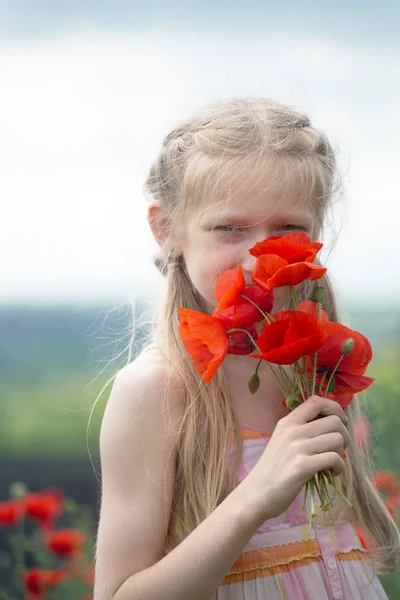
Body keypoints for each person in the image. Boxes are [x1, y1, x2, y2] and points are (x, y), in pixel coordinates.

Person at [93, 98, 399, 600]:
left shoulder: (314, 363)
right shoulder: (157, 388)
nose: (261, 259)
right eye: (231, 228)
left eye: (288, 229)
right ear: (167, 230)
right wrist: (256, 497)